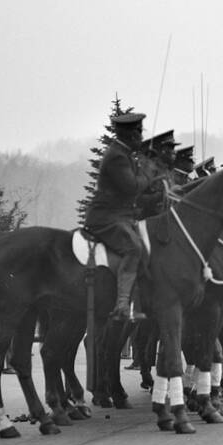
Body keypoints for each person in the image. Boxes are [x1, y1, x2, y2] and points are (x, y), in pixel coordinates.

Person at [84, 112, 154, 321]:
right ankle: (122, 304)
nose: (141, 137)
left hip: (120, 216)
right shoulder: (116, 156)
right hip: (106, 218)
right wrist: (148, 174)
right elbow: (131, 187)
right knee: (133, 248)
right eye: (139, 132)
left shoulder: (124, 155)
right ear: (130, 135)